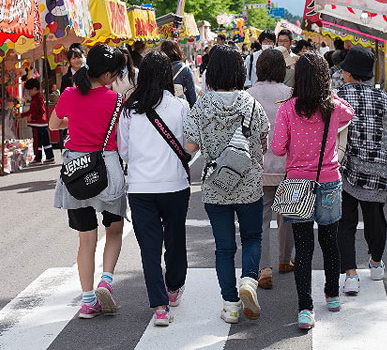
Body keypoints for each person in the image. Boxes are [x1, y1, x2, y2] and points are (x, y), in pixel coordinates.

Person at [184, 45, 270, 324]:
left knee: (224, 247)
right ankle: (248, 280)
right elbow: (264, 142)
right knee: (252, 237)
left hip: (215, 186)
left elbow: (190, 144)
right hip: (248, 183)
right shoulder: (251, 103)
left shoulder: (202, 104)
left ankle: (231, 305)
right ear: (239, 71)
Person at [271, 52, 354, 329]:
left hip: (297, 184)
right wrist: (329, 93)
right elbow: (349, 112)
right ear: (324, 79)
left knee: (303, 248)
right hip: (329, 179)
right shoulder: (333, 107)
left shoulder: (287, 109)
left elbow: (277, 148)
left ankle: (305, 308)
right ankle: (332, 295)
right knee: (330, 242)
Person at [49, 43, 127, 320]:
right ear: (107, 75)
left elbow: (53, 125)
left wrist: (76, 120)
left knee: (85, 240)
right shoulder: (116, 100)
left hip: (77, 170)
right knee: (114, 230)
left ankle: (87, 300)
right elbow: (123, 134)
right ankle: (106, 279)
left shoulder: (69, 93)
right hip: (107, 168)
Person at [336, 45, 387, 296]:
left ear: (348, 73)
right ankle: (375, 263)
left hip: (346, 168)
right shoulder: (384, 99)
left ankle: (350, 275)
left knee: (345, 222)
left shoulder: (338, 96)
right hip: (379, 169)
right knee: (375, 219)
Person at [117, 52, 191, 327]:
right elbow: (187, 146)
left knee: (149, 247)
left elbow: (123, 149)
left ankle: (159, 307)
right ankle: (173, 289)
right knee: (175, 239)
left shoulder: (128, 109)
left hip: (140, 187)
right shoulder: (180, 106)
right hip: (174, 185)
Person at [246, 49, 294, 290]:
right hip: (286, 165)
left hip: (258, 166)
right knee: (287, 216)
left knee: (261, 219)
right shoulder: (290, 95)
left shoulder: (249, 95)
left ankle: (264, 268)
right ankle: (285, 260)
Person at [18, 78, 54, 164]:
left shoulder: (37, 98)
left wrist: (32, 118)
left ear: (34, 89)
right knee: (45, 141)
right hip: (41, 123)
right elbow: (32, 111)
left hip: (38, 124)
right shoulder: (36, 97)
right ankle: (50, 157)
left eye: (29, 90)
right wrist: (22, 115)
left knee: (38, 142)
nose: (29, 92)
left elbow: (40, 111)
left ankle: (38, 158)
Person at [160, 40, 197, 107]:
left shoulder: (159, 69)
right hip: (180, 108)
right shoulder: (184, 69)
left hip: (161, 108)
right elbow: (191, 95)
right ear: (177, 51)